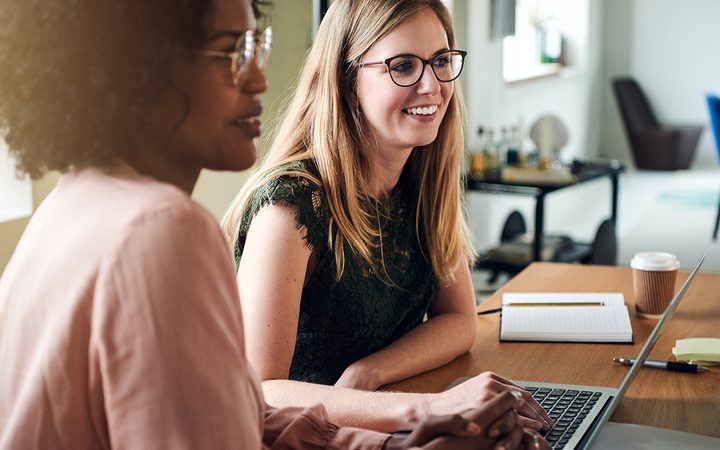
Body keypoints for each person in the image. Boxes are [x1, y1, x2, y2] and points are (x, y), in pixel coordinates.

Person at [0, 0, 549, 449]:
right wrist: (421, 410)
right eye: (227, 54)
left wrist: (393, 443)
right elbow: (249, 404)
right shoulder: (163, 227)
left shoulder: (73, 201)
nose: (260, 77)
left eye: (252, 47)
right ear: (138, 68)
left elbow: (239, 418)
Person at [224, 0, 552, 435]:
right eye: (402, 66)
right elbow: (260, 389)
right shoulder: (291, 205)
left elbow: (459, 321)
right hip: (308, 438)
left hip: (378, 424)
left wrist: (370, 374)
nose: (431, 86)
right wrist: (426, 408)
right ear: (346, 78)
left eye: (439, 61)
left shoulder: (422, 176)